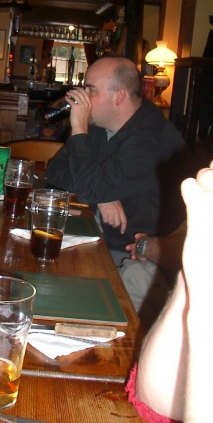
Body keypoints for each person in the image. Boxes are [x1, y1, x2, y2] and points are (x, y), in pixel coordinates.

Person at [46, 56, 188, 267]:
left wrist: (78, 130)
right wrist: (101, 196)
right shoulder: (99, 125)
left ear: (119, 96)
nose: (82, 98)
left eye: (90, 90)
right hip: (97, 235)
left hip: (133, 257)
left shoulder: (150, 140)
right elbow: (55, 170)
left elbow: (91, 186)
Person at [126, 160, 213, 422]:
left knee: (129, 275)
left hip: (134, 251)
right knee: (131, 274)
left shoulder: (149, 142)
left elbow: (95, 186)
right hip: (163, 392)